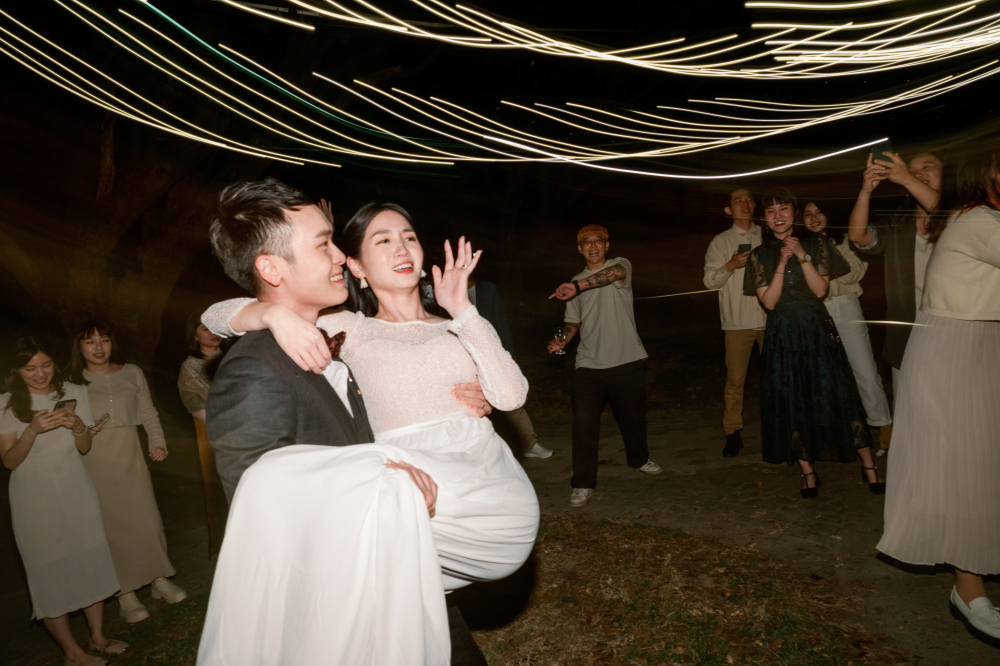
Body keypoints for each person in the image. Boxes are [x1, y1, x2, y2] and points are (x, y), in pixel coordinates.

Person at [197, 181, 539, 666]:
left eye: (410, 236)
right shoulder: (344, 330)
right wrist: (271, 314)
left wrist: (463, 314)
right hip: (406, 501)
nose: (401, 248)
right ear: (357, 266)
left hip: (480, 474)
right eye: (380, 240)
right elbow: (215, 321)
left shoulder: (452, 326)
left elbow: (512, 395)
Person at [877, 143, 1000, 640]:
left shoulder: (966, 214)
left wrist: (909, 179)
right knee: (963, 468)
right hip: (952, 352)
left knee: (986, 464)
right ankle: (968, 589)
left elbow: (933, 200)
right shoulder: (977, 223)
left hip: (982, 347)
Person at [744, 188, 884, 498]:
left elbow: (821, 290)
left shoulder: (817, 243)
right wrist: (781, 262)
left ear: (794, 214)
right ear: (764, 219)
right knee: (793, 399)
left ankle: (868, 465)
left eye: (784, 209)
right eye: (771, 211)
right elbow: (768, 302)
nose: (778, 215)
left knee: (839, 391)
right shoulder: (759, 255)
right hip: (783, 334)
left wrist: (802, 256)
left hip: (817, 328)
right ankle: (808, 473)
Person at [1, 336, 126, 666]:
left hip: (75, 486)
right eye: (30, 368)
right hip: (33, 495)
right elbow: (10, 462)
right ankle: (72, 652)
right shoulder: (5, 404)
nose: (40, 374)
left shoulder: (74, 392)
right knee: (49, 568)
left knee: (90, 555)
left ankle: (98, 637)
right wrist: (31, 430)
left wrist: (78, 425)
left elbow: (84, 447)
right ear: (16, 371)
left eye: (45, 365)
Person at [67, 321, 187, 623]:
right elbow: (64, 424)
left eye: (103, 340)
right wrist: (79, 431)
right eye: (89, 342)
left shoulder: (132, 372)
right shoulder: (71, 381)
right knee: (110, 528)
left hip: (130, 455)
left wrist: (157, 441)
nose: (97, 347)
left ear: (112, 343)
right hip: (93, 459)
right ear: (79, 347)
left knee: (147, 520)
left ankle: (159, 579)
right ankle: (125, 593)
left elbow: (148, 411)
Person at [548, 224, 661, 509]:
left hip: (626, 357)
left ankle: (638, 459)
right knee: (584, 425)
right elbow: (574, 321)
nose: (593, 245)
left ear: (607, 246)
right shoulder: (574, 282)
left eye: (599, 240)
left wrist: (576, 286)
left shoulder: (621, 266)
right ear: (580, 248)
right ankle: (583, 483)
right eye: (587, 242)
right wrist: (560, 340)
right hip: (589, 364)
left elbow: (613, 276)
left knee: (633, 418)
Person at [848, 149, 943, 450]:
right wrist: (865, 191)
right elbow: (858, 236)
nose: (918, 174)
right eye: (911, 171)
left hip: (956, 335)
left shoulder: (964, 215)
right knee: (911, 415)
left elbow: (946, 210)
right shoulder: (899, 223)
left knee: (952, 415)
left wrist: (906, 178)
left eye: (927, 167)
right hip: (908, 338)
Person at [803, 201, 892, 442]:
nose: (814, 218)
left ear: (828, 215)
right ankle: (838, 430)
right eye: (807, 214)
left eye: (819, 212)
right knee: (824, 374)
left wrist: (822, 249)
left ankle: (883, 426)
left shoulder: (845, 240)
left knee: (864, 369)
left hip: (845, 305)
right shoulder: (798, 246)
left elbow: (854, 272)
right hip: (813, 311)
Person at [703, 187, 767, 458]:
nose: (745, 204)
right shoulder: (721, 241)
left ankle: (785, 427)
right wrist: (729, 265)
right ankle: (732, 432)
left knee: (778, 377)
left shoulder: (768, 235)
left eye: (749, 199)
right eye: (738, 200)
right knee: (735, 380)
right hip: (737, 322)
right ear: (728, 209)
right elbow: (708, 282)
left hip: (770, 318)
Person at [469, 278, 552, 459]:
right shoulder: (442, 291)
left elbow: (501, 320)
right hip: (461, 358)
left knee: (510, 398)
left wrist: (510, 353)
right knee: (471, 404)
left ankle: (530, 444)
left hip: (491, 354)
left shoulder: (487, 288)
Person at [177, 310, 223, 423]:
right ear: (195, 336)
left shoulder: (235, 355)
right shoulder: (190, 367)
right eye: (206, 329)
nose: (214, 332)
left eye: (215, 326)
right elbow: (196, 407)